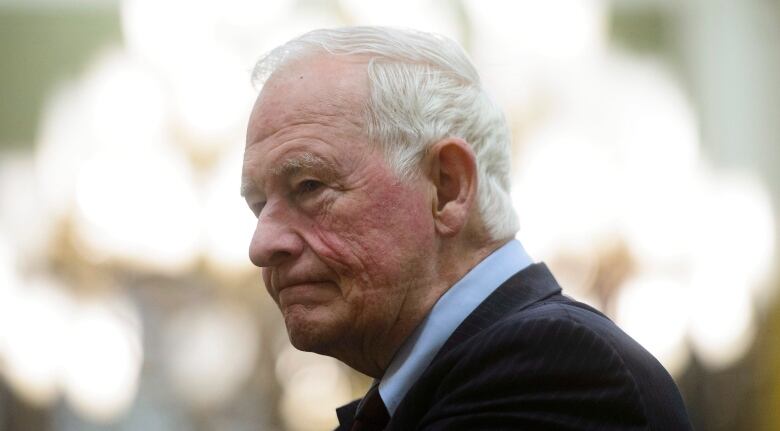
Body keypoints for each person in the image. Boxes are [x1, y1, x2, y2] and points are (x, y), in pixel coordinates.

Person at [241, 26, 692, 430]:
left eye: (309, 186)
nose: (262, 245)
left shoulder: (552, 368)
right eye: (259, 206)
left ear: (448, 186)